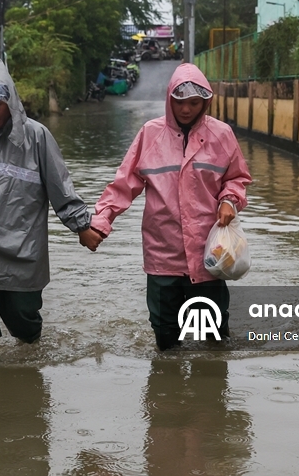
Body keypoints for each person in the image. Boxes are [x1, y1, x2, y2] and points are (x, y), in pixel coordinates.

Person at [0, 52, 103, 362]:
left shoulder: (36, 137)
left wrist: (82, 226)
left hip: (18, 249)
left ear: (11, 102)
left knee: (23, 320)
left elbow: (60, 188)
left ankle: (31, 350)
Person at [88, 63, 251, 351]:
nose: (186, 109)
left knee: (211, 335)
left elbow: (237, 178)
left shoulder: (221, 135)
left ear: (205, 103)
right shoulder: (151, 135)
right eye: (180, 102)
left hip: (208, 255)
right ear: (169, 99)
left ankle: (209, 392)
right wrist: (102, 221)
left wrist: (229, 199)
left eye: (194, 103)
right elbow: (124, 184)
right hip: (162, 253)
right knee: (164, 333)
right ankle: (166, 392)